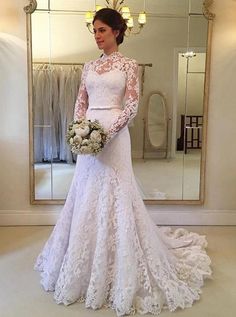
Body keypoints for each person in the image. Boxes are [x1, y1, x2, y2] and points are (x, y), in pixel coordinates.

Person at [34, 8, 212, 316]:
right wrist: (82, 130)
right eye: (94, 31)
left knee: (116, 192)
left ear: (117, 31)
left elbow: (131, 106)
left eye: (102, 30)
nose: (97, 36)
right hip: (90, 135)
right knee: (87, 191)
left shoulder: (130, 65)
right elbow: (80, 102)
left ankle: (121, 258)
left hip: (114, 137)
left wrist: (105, 133)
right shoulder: (88, 66)